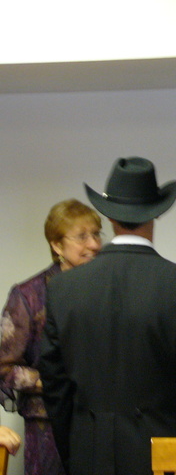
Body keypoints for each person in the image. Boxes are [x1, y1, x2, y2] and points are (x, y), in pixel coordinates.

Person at [38, 157, 176, 475]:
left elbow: (55, 387)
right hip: (168, 458)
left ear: (109, 215)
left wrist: (73, 454)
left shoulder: (62, 289)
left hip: (90, 455)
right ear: (157, 212)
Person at [0, 198, 102, 475]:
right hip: (48, 426)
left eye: (96, 234)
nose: (94, 244)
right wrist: (53, 381)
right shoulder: (29, 295)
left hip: (100, 423)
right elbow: (5, 368)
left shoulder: (106, 289)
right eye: (82, 236)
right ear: (57, 245)